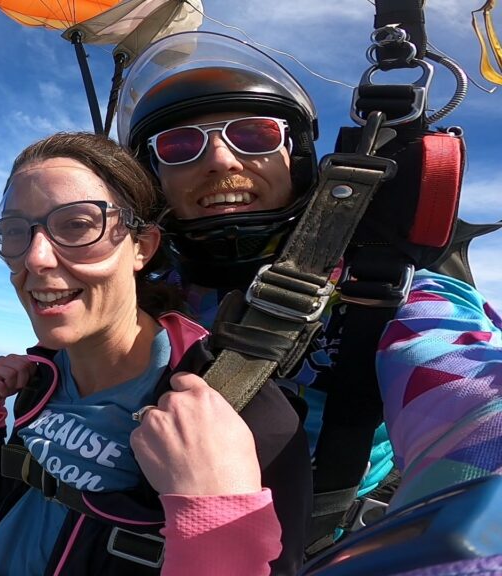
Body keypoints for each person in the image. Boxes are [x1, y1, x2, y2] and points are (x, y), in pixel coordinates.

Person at [115, 30, 502, 551]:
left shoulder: (387, 294)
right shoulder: (143, 284)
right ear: (154, 178)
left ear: (296, 159)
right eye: (180, 146)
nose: (221, 161)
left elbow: (469, 392)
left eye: (254, 136)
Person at [0, 132, 312, 576]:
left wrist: (214, 513)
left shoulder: (238, 414)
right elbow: (1, 503)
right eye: (15, 232)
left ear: (141, 247)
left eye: (76, 225)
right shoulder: (43, 374)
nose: (36, 258)